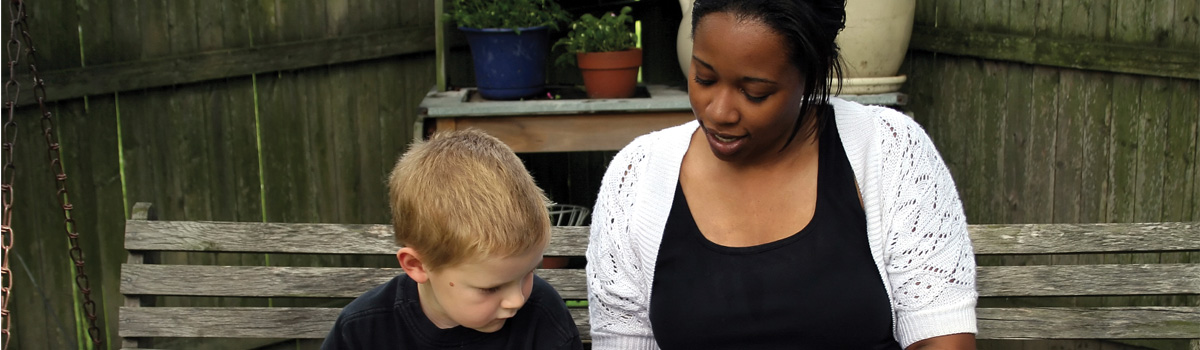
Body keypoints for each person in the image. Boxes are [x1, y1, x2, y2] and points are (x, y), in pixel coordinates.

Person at [585, 0, 978, 349]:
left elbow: (941, 335)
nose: (719, 111)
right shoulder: (637, 177)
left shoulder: (887, 150)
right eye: (704, 77)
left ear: (812, 73)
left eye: (755, 92)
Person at [323, 129, 584, 350]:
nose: (516, 300)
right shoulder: (361, 331)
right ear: (417, 265)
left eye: (530, 272)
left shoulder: (543, 317)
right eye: (491, 288)